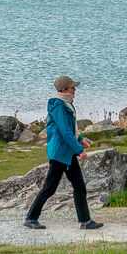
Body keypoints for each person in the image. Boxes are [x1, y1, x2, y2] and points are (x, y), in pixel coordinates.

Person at [23, 75, 104, 230]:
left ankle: (85, 221)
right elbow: (65, 132)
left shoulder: (66, 104)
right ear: (64, 90)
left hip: (66, 152)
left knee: (79, 186)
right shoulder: (59, 106)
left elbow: (70, 129)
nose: (74, 90)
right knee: (49, 188)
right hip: (60, 153)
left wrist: (80, 139)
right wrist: (79, 150)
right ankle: (30, 218)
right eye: (72, 87)